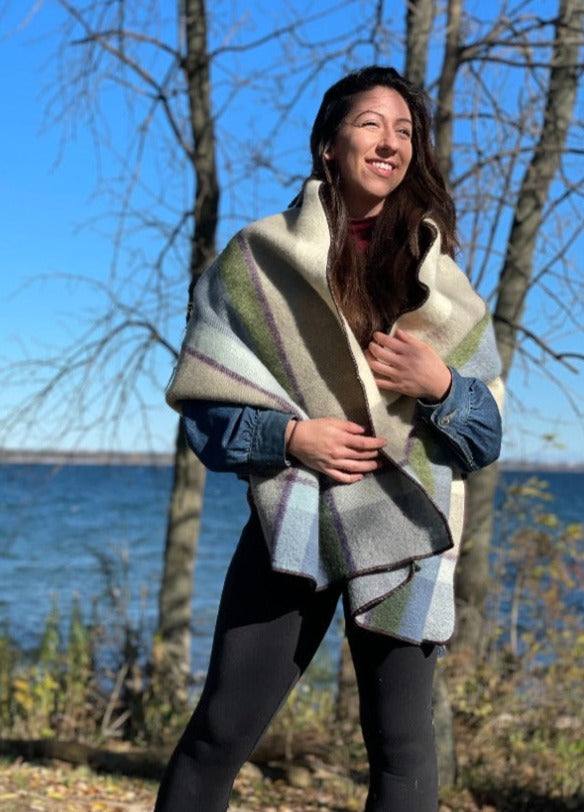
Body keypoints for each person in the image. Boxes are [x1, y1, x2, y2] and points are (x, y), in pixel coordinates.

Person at [156, 65, 503, 812]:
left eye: (405, 131)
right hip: (295, 520)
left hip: (407, 529)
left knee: (402, 749)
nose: (391, 141)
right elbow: (204, 415)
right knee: (219, 732)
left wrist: (441, 385)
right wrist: (289, 437)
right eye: (371, 123)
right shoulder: (258, 260)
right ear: (328, 145)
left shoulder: (442, 280)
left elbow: (485, 438)